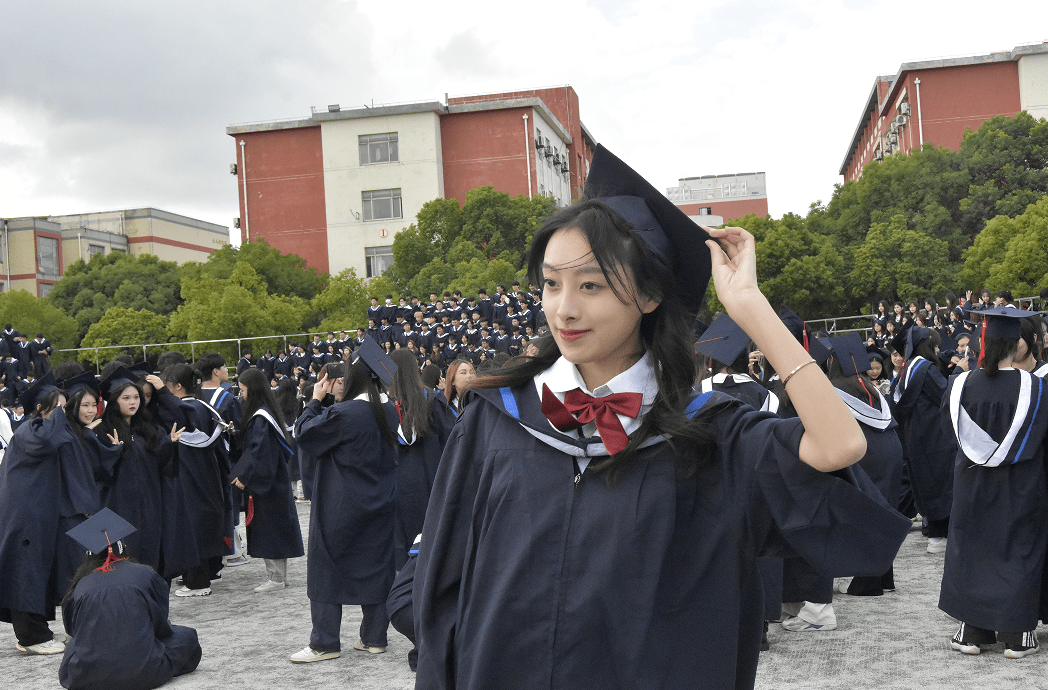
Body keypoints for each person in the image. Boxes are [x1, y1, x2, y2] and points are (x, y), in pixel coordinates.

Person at [413, 146, 909, 689]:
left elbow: (839, 446)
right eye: (552, 283)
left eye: (591, 285)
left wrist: (750, 306)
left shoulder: (710, 436)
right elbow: (442, 587)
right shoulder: (496, 422)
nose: (564, 309)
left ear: (650, 295)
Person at [939, 307, 1048, 658]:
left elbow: (949, 433)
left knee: (972, 548)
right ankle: (1018, 635)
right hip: (1020, 485)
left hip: (971, 482)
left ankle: (972, 631)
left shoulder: (960, 385)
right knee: (1018, 549)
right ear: (1017, 344)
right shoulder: (1035, 387)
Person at [291, 338, 399, 663]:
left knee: (325, 568)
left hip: (341, 505)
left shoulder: (345, 412)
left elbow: (304, 434)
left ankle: (325, 642)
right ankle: (375, 638)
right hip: (380, 501)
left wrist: (314, 400)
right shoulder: (389, 411)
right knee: (376, 567)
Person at [0, 374, 120, 655]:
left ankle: (77, 627)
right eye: (58, 407)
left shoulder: (68, 432)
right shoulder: (31, 430)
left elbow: (89, 468)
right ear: (40, 408)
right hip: (28, 514)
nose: (64, 413)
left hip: (62, 511)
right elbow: (47, 441)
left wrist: (112, 449)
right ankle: (31, 638)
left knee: (74, 568)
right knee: (27, 572)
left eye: (66, 407)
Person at [59, 509, 201, 689]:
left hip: (87, 675)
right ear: (122, 548)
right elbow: (160, 623)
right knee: (186, 636)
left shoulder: (80, 584)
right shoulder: (144, 573)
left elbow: (73, 629)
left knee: (74, 646)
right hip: (144, 671)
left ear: (89, 554)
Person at [229, 368, 304, 593]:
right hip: (274, 481)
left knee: (271, 529)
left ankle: (276, 579)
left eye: (243, 391)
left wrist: (245, 476)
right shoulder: (266, 413)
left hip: (268, 484)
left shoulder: (261, 418)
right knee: (274, 528)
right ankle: (278, 576)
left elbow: (260, 452)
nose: (242, 395)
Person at [163, 363, 233, 597]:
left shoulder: (183, 409)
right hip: (209, 472)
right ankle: (211, 571)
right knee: (205, 522)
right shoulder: (205, 406)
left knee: (192, 526)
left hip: (189, 473)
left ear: (177, 386)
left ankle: (197, 582)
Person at [891, 326, 956, 553]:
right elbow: (945, 395)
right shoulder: (925, 369)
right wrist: (961, 373)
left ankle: (935, 535)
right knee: (943, 483)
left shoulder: (908, 370)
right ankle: (942, 535)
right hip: (936, 440)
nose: (938, 350)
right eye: (935, 346)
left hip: (917, 440)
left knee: (927, 484)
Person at [389, 349, 454, 569]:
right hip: (431, 479)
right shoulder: (434, 400)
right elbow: (451, 440)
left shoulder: (385, 405)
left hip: (397, 481)